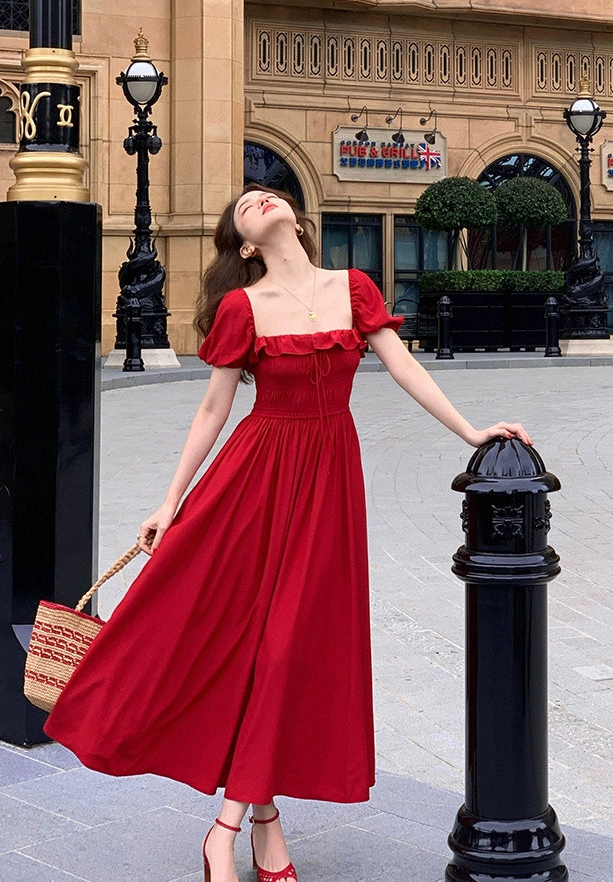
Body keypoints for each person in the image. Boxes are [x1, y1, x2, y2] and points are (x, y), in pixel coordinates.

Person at [44, 184, 532, 882]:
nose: (260, 199)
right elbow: (213, 409)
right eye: (246, 205)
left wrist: (471, 431)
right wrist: (170, 500)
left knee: (290, 649)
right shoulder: (243, 307)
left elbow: (404, 367)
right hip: (256, 480)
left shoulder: (353, 287)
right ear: (245, 244)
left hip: (329, 482)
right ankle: (233, 828)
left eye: (267, 194)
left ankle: (253, 825)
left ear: (294, 219)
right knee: (257, 650)